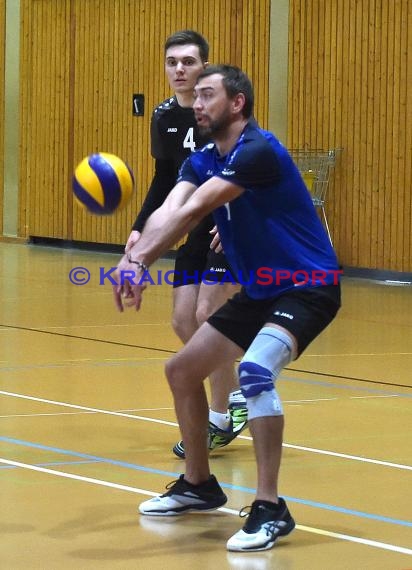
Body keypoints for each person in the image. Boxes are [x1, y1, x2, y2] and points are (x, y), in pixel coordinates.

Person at [113, 65, 341, 552]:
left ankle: (269, 507)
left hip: (307, 287)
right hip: (260, 291)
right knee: (181, 371)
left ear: (237, 103)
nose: (196, 103)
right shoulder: (204, 159)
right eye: (195, 96)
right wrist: (132, 256)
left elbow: (197, 211)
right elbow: (173, 207)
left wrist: (143, 260)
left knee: (256, 371)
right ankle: (199, 484)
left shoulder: (257, 151)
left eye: (207, 95)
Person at [125, 30, 247, 458]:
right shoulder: (163, 118)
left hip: (226, 224)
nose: (179, 69)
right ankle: (237, 391)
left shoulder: (220, 111)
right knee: (183, 321)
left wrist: (240, 215)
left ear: (204, 66)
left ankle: (219, 418)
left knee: (208, 312)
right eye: (172, 62)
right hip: (190, 224)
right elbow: (164, 179)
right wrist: (142, 228)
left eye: (188, 62)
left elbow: (249, 165)